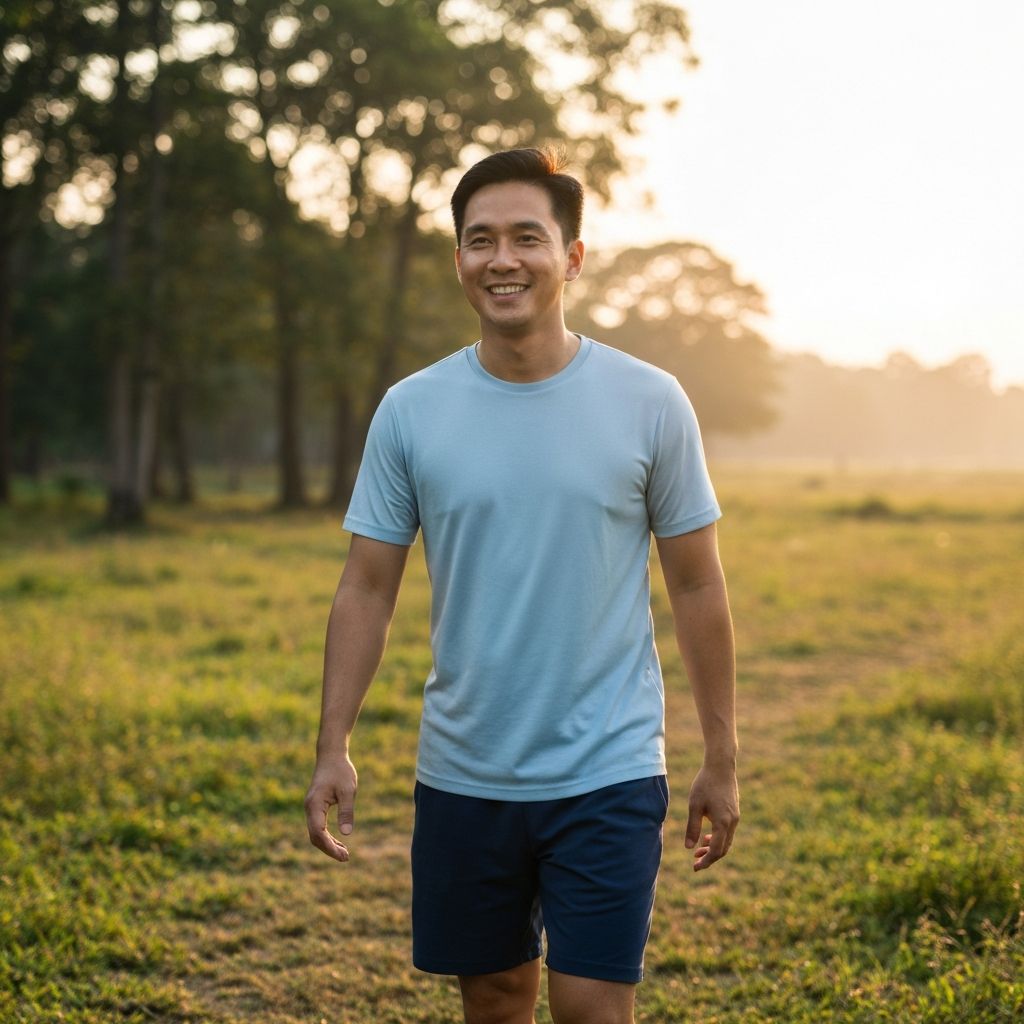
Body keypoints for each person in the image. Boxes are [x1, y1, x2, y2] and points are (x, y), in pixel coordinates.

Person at [305, 147, 739, 1024]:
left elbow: (696, 585)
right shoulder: (411, 409)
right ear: (459, 260)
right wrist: (333, 744)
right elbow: (367, 587)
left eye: (526, 238)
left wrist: (721, 757)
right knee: (497, 1000)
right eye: (480, 240)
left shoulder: (650, 400)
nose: (502, 259)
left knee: (591, 1008)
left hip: (609, 765)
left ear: (571, 257)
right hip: (465, 770)